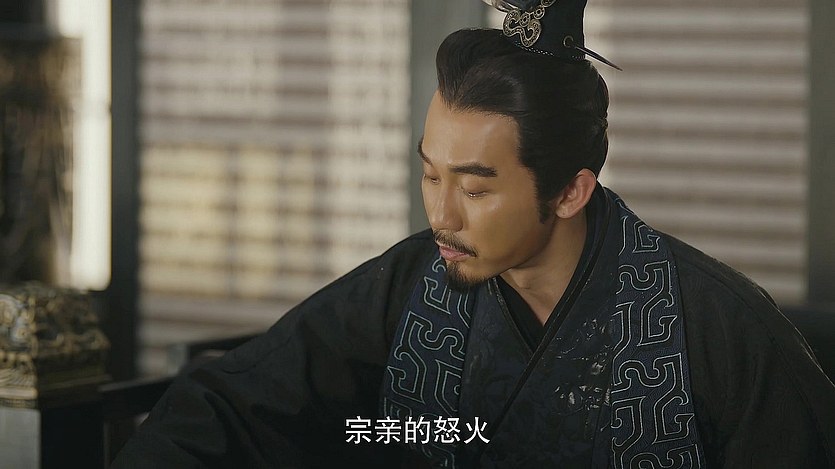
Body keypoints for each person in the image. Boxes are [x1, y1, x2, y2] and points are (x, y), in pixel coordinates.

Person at [113, 1, 835, 468]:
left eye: (476, 187)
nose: (442, 215)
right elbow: (236, 402)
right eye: (430, 175)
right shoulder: (410, 284)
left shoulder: (717, 326)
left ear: (569, 190)